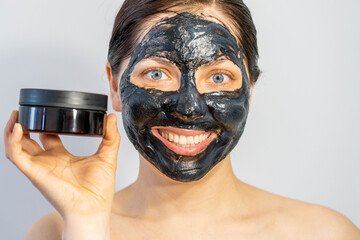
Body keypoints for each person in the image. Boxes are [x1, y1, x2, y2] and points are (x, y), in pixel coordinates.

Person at [4, 0, 360, 239]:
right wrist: (87, 220)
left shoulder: (324, 233)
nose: (189, 108)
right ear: (115, 85)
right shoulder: (57, 231)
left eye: (218, 77)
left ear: (249, 89)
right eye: (157, 74)